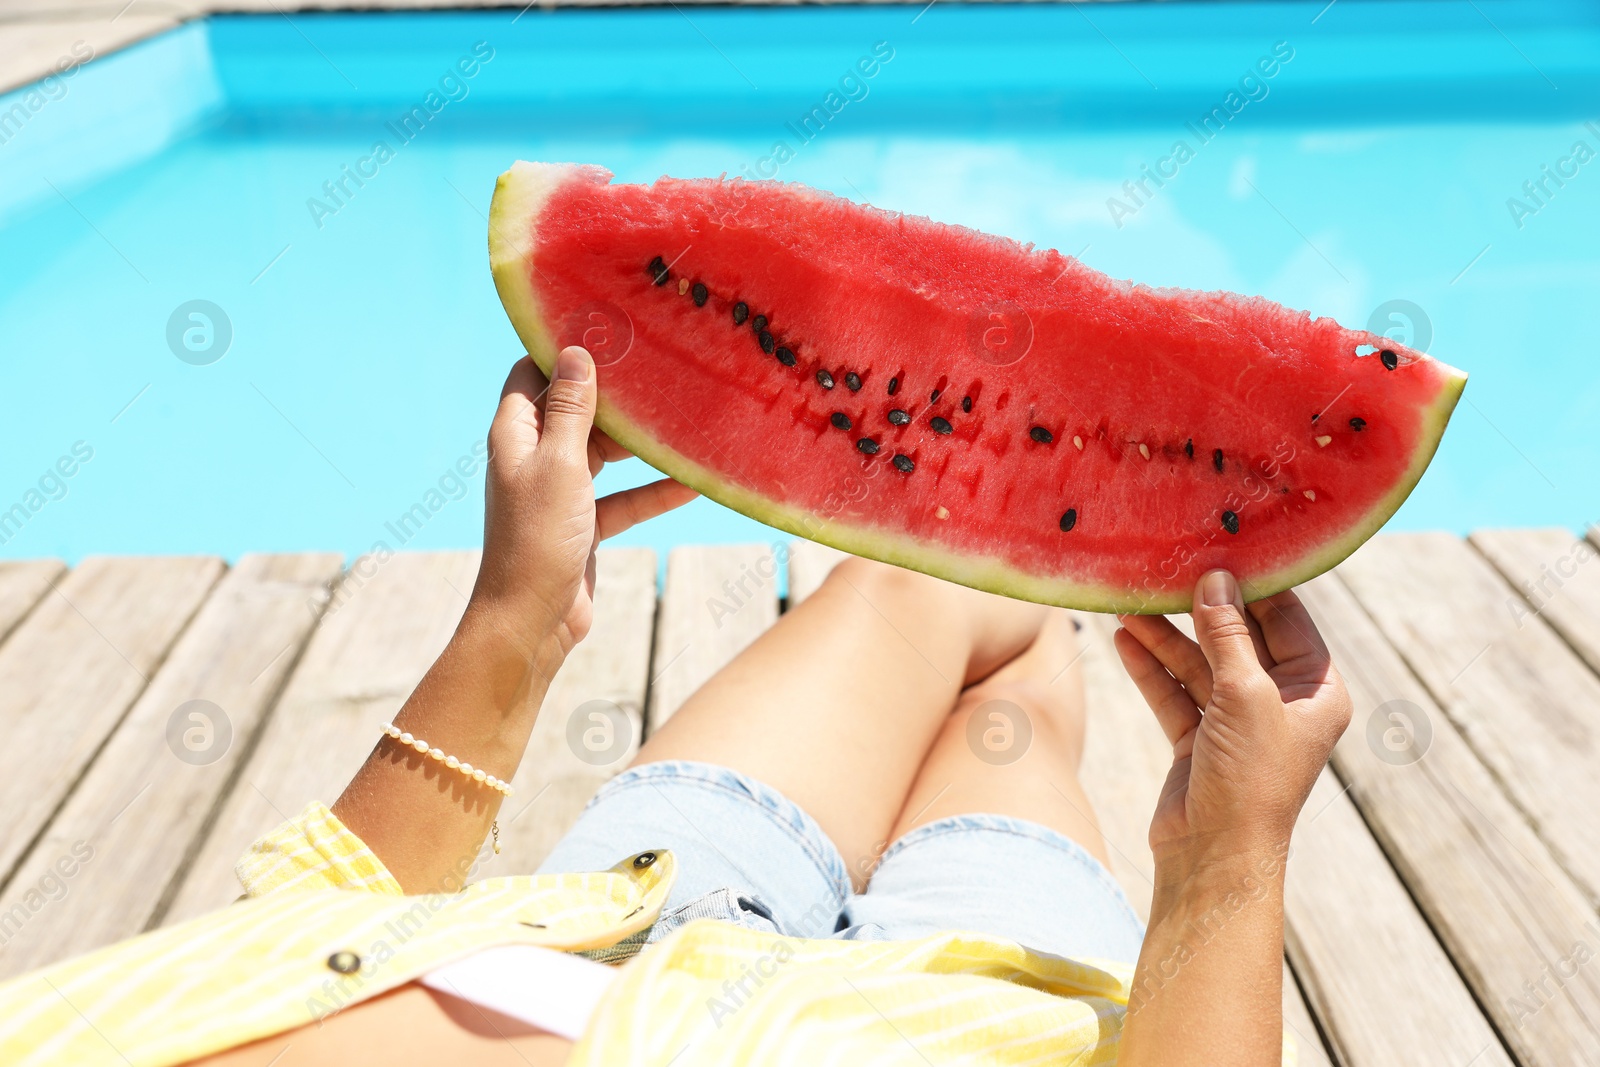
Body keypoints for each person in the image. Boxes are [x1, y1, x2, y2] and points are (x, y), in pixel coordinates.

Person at [0, 347, 1351, 1066]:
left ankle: (1023, 621)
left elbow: (314, 920)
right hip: (993, 1022)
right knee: (1011, 688)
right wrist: (1229, 858)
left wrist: (515, 626)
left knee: (924, 582)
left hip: (616, 928)